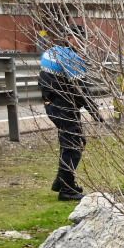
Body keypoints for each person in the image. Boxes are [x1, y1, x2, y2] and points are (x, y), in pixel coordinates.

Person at [39, 26, 101, 201]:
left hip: (54, 105)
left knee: (70, 143)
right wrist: (95, 112)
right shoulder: (71, 58)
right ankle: (66, 190)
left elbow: (44, 80)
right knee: (73, 146)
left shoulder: (52, 52)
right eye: (79, 39)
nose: (83, 43)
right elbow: (81, 90)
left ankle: (63, 182)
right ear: (69, 38)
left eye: (84, 39)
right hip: (65, 106)